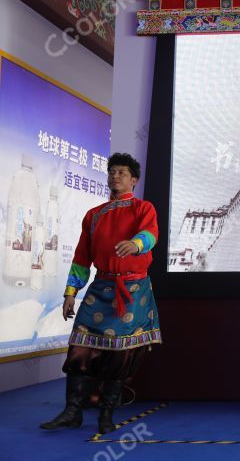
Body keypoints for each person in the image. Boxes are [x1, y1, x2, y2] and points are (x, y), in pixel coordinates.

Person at [41, 153, 161, 434]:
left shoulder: (143, 209)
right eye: (112, 172)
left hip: (132, 289)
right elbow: (83, 256)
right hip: (101, 285)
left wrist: (136, 244)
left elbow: (151, 234)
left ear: (134, 179)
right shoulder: (93, 215)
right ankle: (72, 411)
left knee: (119, 353)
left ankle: (107, 413)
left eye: (122, 172)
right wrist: (71, 292)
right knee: (80, 347)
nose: (116, 176)